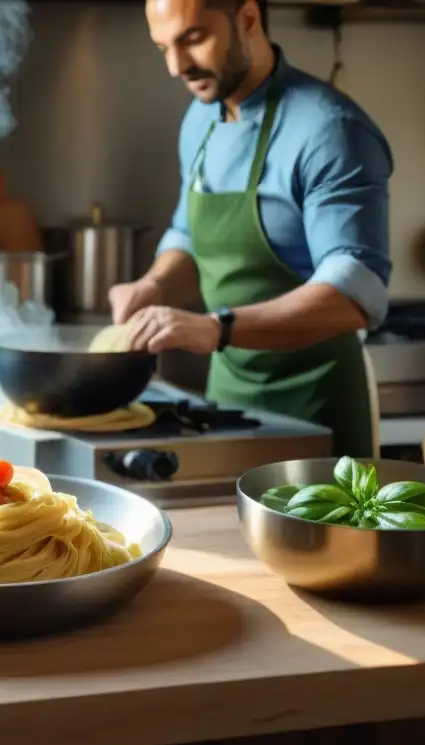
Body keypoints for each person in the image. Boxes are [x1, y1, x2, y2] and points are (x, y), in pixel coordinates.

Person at [109, 0, 393, 458]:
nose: (176, 66)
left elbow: (356, 293)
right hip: (228, 405)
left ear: (247, 19)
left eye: (193, 39)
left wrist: (216, 328)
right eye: (163, 47)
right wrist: (154, 285)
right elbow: (187, 235)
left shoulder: (329, 130)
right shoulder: (202, 118)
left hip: (318, 409)